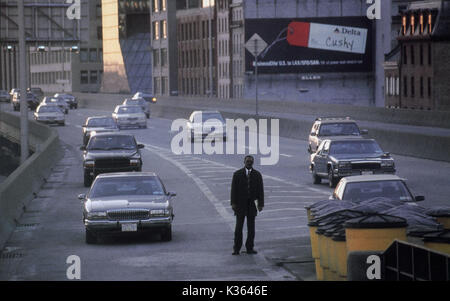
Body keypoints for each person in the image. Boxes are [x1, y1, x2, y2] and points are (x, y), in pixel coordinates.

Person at [230, 155, 264, 255]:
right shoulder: (237, 174)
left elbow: (260, 191)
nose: (249, 163)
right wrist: (233, 203)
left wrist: (260, 204)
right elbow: (233, 190)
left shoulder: (257, 175)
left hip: (252, 205)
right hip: (240, 205)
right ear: (244, 162)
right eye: (247, 161)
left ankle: (250, 248)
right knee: (238, 228)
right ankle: (236, 248)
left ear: (253, 163)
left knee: (251, 229)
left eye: (251, 161)